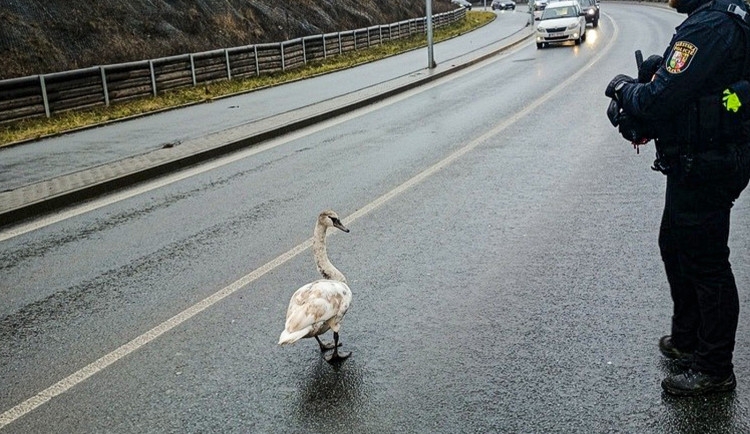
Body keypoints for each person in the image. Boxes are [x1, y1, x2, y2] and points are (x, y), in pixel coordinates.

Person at [605, 0, 750, 396]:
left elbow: (658, 100)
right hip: (702, 158)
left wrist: (624, 88)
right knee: (674, 242)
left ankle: (714, 367)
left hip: (708, 163)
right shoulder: (717, 20)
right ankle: (688, 339)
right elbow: (689, 90)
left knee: (706, 262)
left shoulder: (709, 28)